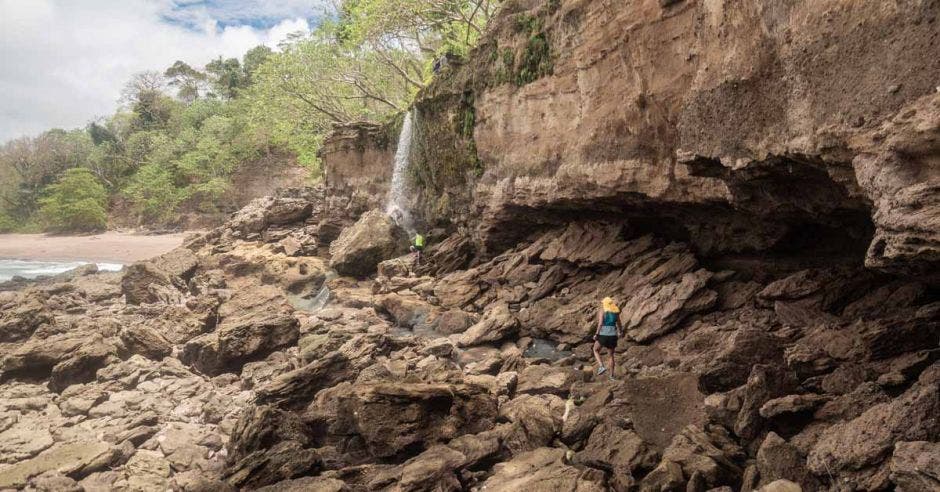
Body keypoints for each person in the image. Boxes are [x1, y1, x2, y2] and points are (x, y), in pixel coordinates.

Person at [592, 296, 622, 380]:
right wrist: (620, 332)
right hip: (613, 335)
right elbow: (619, 324)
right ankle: (612, 376)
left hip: (603, 334)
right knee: (611, 356)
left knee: (595, 350)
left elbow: (600, 323)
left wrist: (596, 334)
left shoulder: (602, 311)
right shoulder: (616, 312)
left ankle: (601, 366)